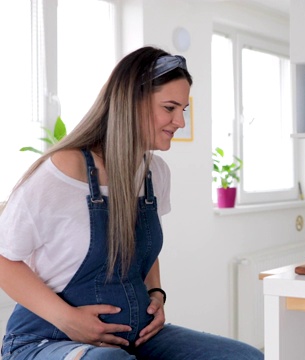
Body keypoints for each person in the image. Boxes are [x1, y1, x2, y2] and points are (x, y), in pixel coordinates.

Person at [0, 47, 263, 360]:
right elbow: (4, 259)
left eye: (183, 109)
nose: (180, 121)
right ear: (131, 103)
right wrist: (68, 320)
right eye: (170, 108)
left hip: (134, 337)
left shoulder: (154, 172)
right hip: (47, 340)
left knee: (243, 357)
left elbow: (140, 248)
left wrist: (155, 292)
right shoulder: (64, 170)